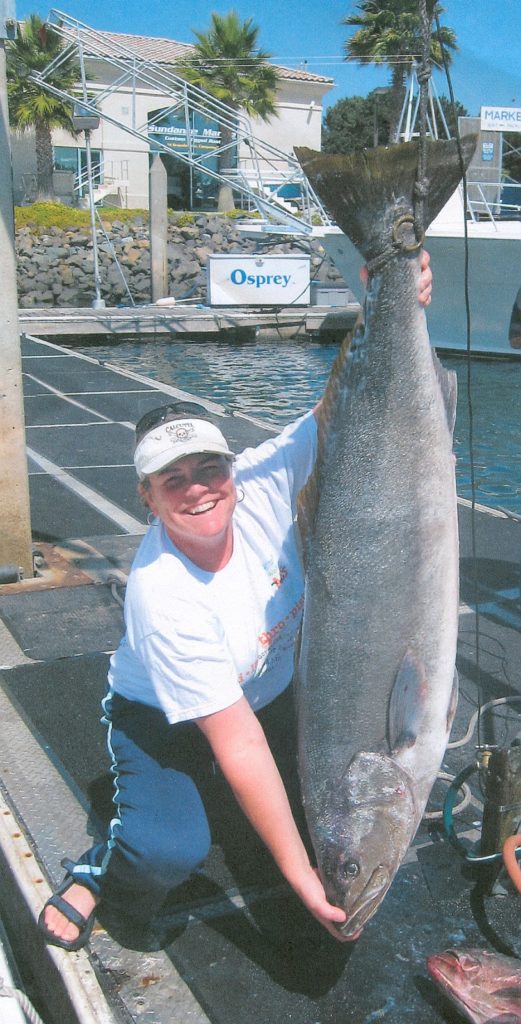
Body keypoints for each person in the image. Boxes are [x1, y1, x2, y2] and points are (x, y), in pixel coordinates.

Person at [38, 255, 433, 952]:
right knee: (169, 848)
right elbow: (237, 741)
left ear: (232, 467)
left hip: (268, 692)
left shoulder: (262, 480)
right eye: (172, 480)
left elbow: (347, 413)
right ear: (148, 498)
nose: (197, 489)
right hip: (165, 718)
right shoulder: (162, 594)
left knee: (318, 805)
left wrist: (394, 299)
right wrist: (304, 876)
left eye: (209, 468)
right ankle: (99, 866)